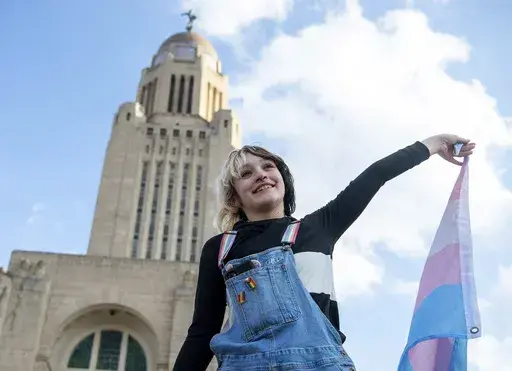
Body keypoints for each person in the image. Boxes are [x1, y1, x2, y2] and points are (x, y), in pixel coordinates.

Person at [173, 134, 476, 371]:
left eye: (268, 167)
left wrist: (435, 143)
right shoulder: (221, 248)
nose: (261, 175)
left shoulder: (319, 227)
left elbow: (375, 175)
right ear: (234, 196)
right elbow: (202, 332)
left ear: (282, 179)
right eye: (247, 173)